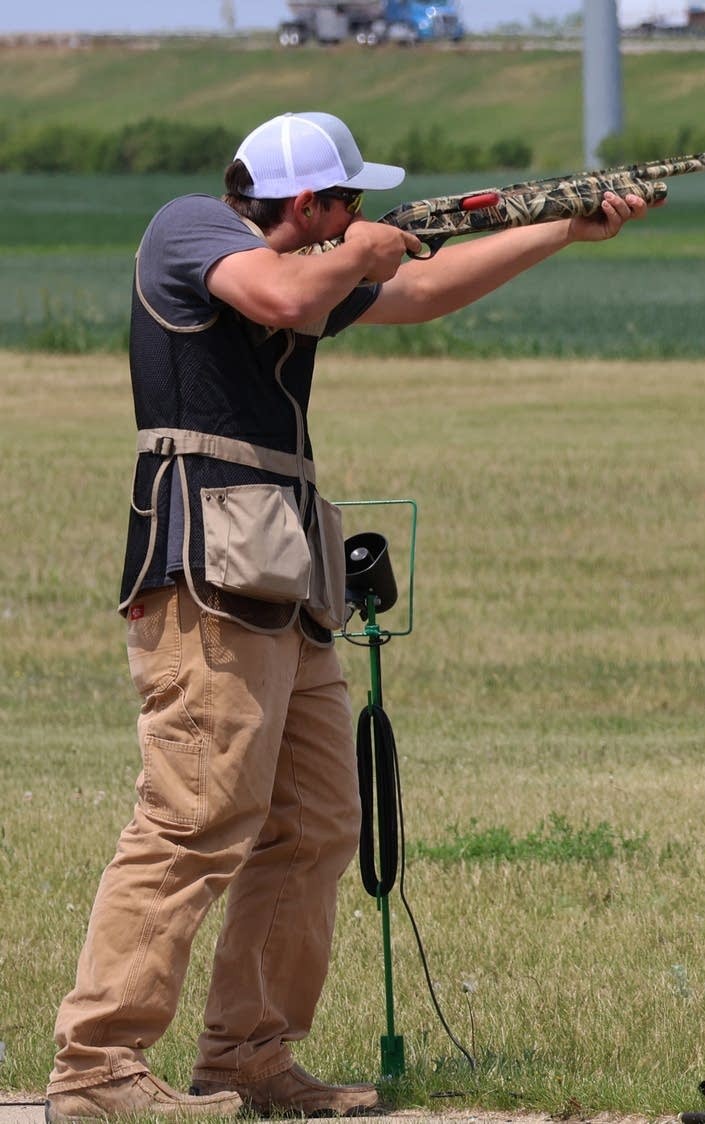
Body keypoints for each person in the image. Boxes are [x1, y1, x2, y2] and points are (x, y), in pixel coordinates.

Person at [46, 111, 654, 1123]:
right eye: (349, 202)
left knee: (317, 821)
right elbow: (284, 291)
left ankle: (249, 1054)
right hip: (207, 572)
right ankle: (98, 1064)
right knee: (194, 819)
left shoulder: (318, 266)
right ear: (308, 204)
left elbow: (419, 292)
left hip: (284, 574)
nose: (362, 216)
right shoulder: (193, 228)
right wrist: (367, 248)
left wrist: (560, 227)